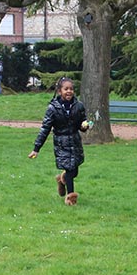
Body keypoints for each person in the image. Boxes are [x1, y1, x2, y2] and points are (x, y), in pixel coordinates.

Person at [28, 77, 90, 206]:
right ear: (59, 91)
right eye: (66, 89)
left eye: (71, 89)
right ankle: (71, 198)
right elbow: (45, 129)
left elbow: (82, 123)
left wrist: (85, 126)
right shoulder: (53, 108)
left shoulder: (79, 106)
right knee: (69, 168)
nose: (69, 91)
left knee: (74, 171)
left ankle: (62, 180)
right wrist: (36, 148)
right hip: (61, 143)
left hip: (75, 141)